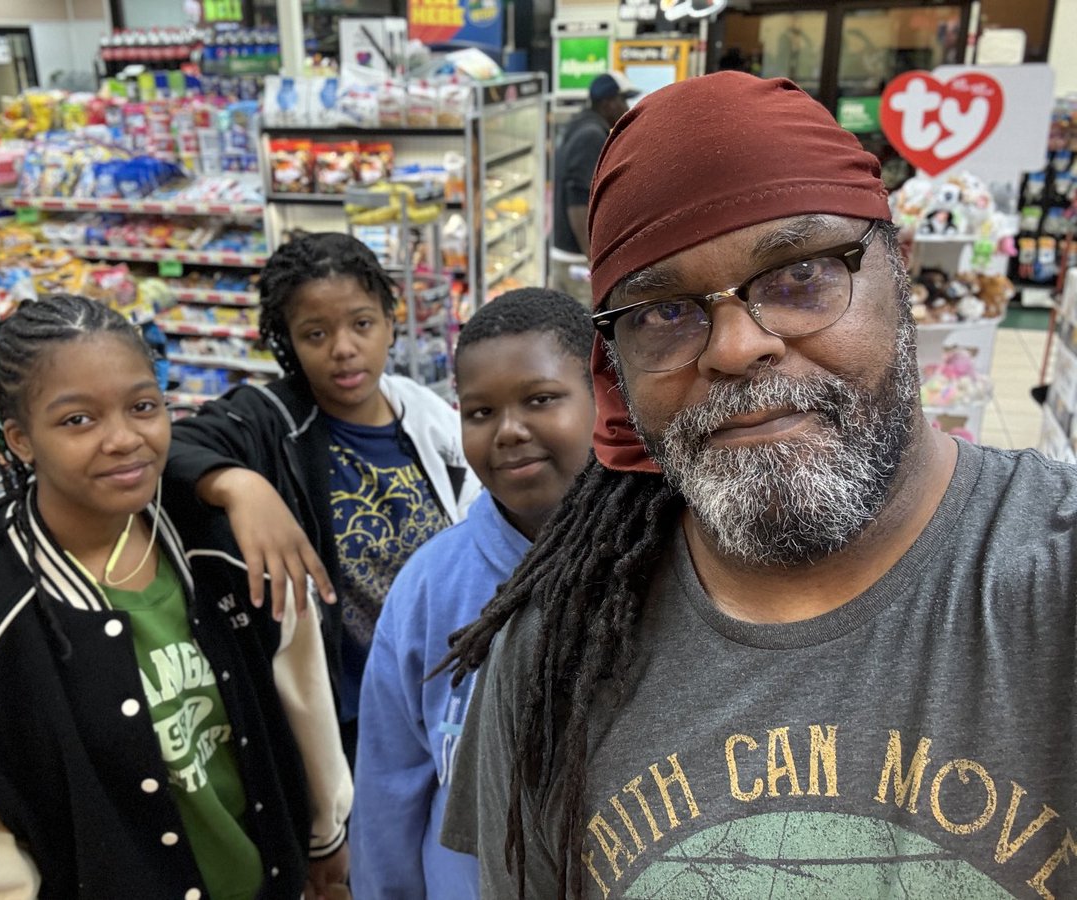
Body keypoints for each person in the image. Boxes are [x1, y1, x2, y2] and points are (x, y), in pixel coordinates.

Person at [440, 72, 1077, 899]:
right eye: (664, 312)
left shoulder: (1052, 595)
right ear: (616, 369)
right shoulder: (551, 658)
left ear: (903, 273)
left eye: (801, 274)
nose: (736, 347)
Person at [0, 295, 351, 898]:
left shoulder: (227, 547)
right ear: (20, 439)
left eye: (143, 406)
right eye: (78, 420)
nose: (124, 439)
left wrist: (324, 833)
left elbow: (300, 690)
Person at [165, 232, 480, 764]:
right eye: (316, 333)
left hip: (450, 694)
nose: (343, 348)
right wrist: (239, 484)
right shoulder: (273, 421)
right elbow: (170, 447)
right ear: (287, 341)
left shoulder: (422, 412)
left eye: (362, 323)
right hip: (356, 722)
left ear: (388, 320)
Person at [350, 288, 596, 900]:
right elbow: (389, 788)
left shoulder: (675, 564)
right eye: (480, 413)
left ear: (604, 397)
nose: (509, 431)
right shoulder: (430, 588)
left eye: (540, 400)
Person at [549, 71, 639, 307]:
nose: (626, 107)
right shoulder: (590, 136)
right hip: (576, 259)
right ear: (608, 102)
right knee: (585, 333)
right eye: (623, 100)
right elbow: (577, 201)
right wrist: (594, 260)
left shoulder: (578, 126)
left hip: (566, 254)